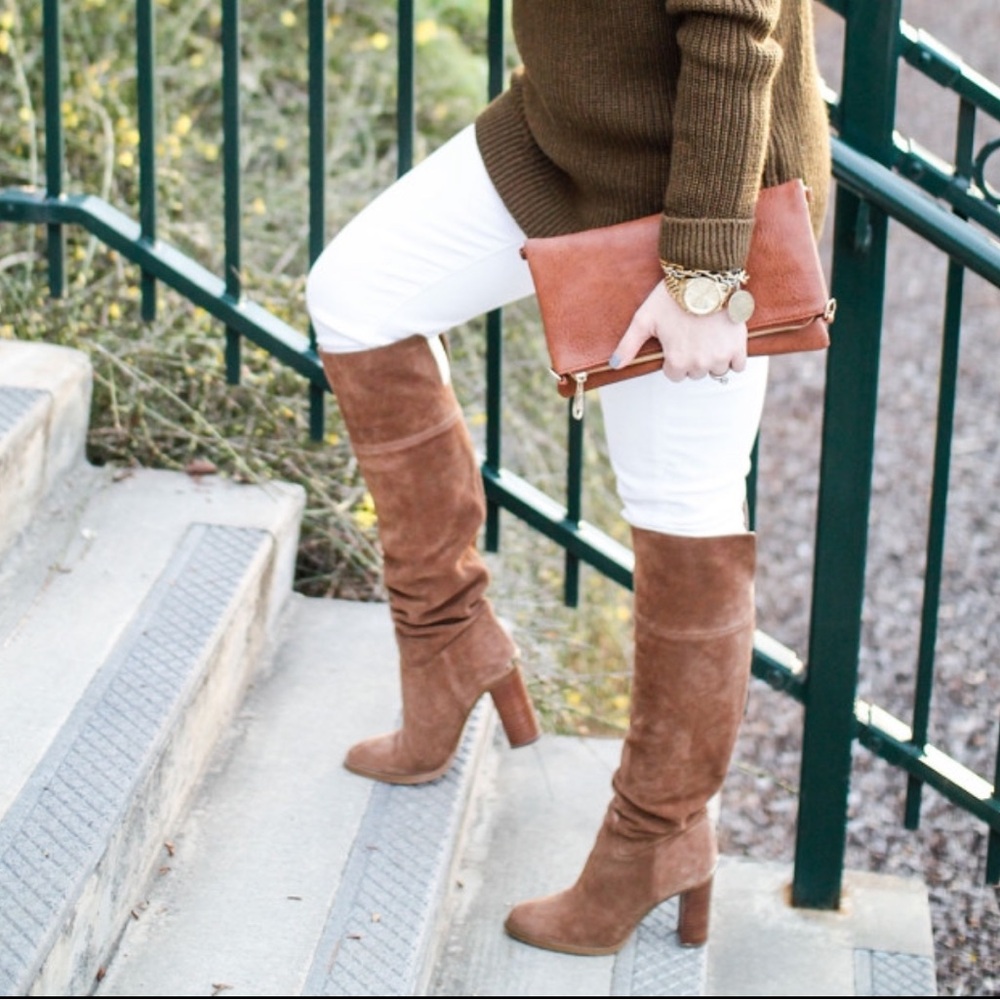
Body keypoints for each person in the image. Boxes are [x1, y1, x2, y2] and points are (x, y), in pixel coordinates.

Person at [305, 0, 831, 956]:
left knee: (681, 501)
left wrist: (705, 272)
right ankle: (447, 644)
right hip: (561, 139)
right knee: (356, 296)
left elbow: (732, 27)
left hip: (697, 185)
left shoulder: (705, 226)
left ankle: (658, 834)